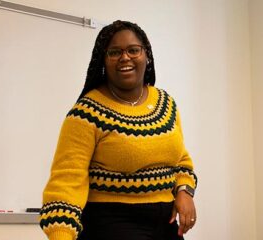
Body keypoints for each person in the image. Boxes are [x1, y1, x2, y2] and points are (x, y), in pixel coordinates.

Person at [39, 20, 198, 240]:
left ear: (147, 55)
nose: (125, 58)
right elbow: (66, 182)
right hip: (112, 224)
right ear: (103, 60)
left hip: (167, 225)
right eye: (114, 52)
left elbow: (181, 160)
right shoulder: (87, 112)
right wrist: (61, 234)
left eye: (133, 50)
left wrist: (184, 191)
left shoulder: (166, 103)